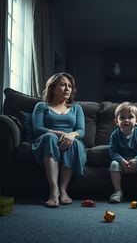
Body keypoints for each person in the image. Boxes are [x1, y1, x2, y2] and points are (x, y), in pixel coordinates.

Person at [32, 72, 86, 208]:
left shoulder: (76, 108)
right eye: (63, 85)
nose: (67, 89)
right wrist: (61, 133)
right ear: (53, 88)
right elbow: (38, 129)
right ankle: (53, 189)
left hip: (68, 141)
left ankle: (63, 189)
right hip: (47, 140)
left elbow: (81, 131)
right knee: (50, 137)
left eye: (70, 86)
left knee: (74, 143)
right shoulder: (41, 106)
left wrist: (71, 135)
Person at [108, 102, 137, 203]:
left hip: (136, 162)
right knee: (113, 164)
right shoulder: (115, 135)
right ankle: (118, 192)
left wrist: (136, 159)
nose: (126, 120)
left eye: (130, 117)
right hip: (122, 163)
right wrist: (121, 161)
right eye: (122, 117)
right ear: (116, 121)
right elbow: (112, 151)